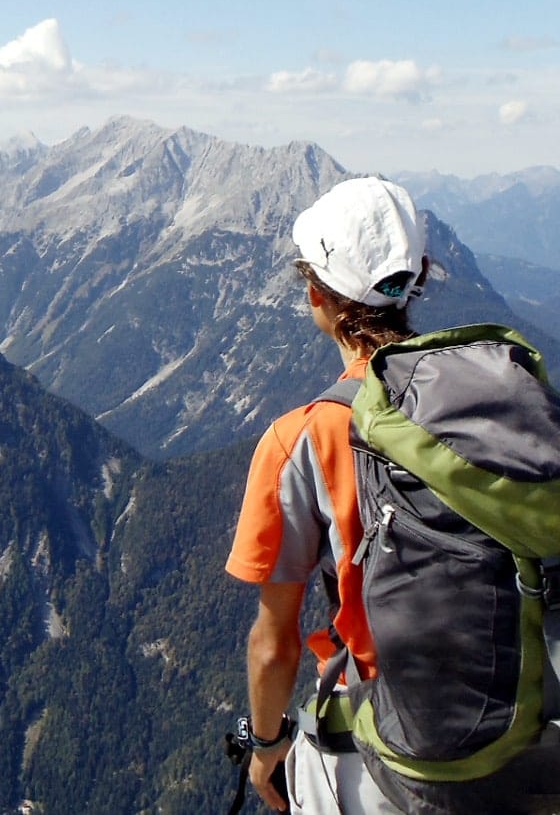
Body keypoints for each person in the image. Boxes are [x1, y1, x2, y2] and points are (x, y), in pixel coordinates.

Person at [225, 176, 430, 814]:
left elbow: (274, 639)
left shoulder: (304, 437)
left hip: (389, 745)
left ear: (316, 294)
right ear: (416, 279)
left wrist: (266, 746)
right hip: (525, 716)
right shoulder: (489, 400)